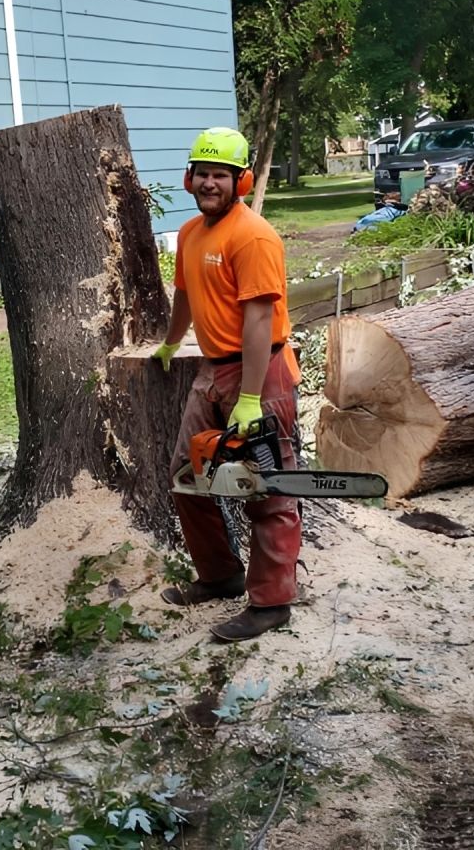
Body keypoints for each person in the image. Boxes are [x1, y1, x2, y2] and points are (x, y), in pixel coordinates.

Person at [151, 127, 303, 642]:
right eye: (202, 173)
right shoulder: (192, 233)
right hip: (212, 370)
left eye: (220, 175)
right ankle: (221, 576)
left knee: (269, 490)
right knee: (185, 475)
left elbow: (260, 321)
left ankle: (271, 602)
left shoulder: (254, 236)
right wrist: (172, 342)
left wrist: (252, 398)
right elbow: (185, 296)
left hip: (261, 371)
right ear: (189, 177)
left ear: (241, 181)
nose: (209, 183)